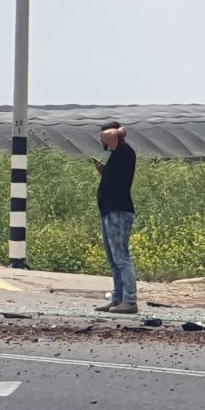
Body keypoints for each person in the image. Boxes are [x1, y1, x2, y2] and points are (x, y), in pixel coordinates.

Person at [93, 121, 139, 314]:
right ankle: (118, 298)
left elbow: (111, 134)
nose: (103, 139)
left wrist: (120, 131)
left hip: (118, 211)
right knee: (114, 259)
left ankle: (130, 300)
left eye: (105, 135)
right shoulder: (116, 156)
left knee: (121, 257)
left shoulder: (124, 150)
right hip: (109, 211)